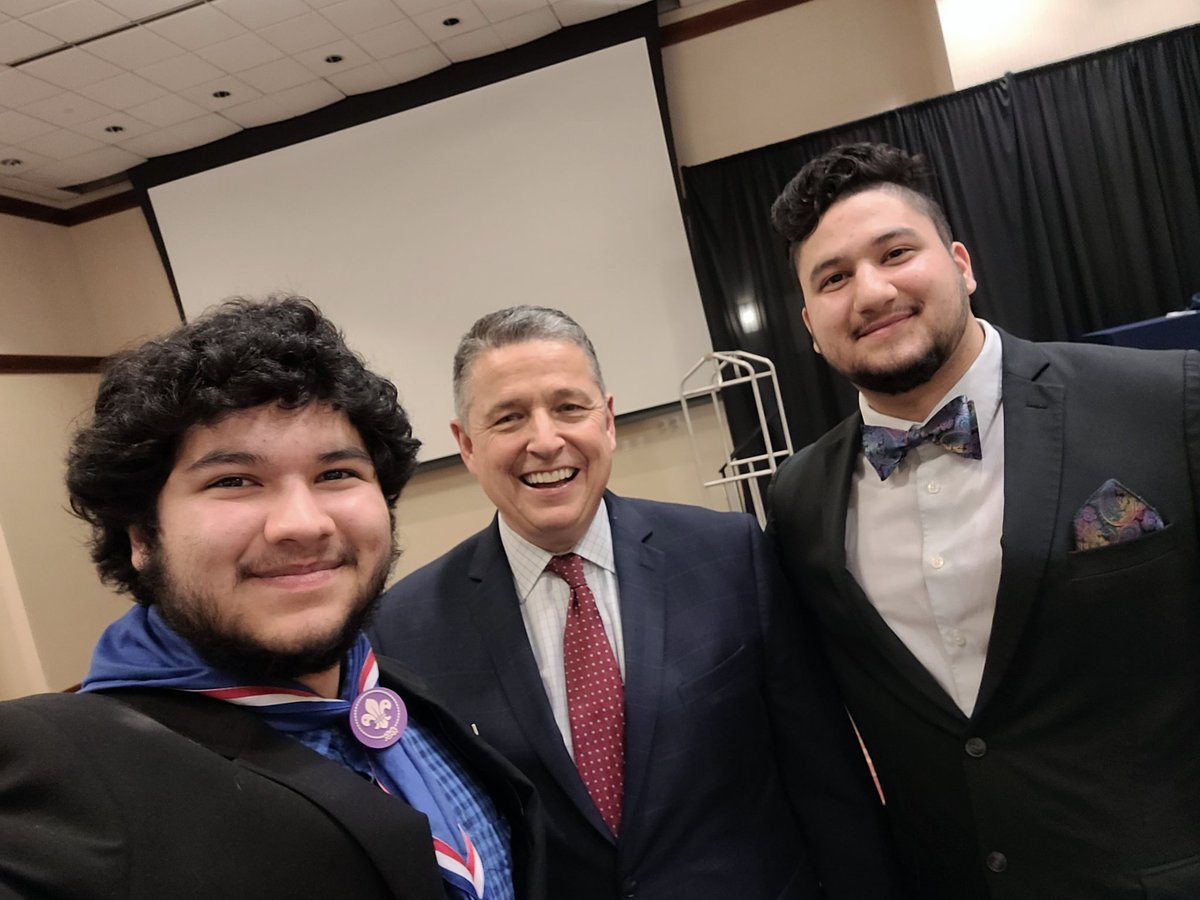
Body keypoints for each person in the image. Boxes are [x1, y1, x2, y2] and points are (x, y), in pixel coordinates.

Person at [766, 141, 1200, 900]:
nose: (869, 292)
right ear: (810, 324)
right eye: (833, 279)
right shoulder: (797, 502)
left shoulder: (1166, 401)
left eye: (895, 252)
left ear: (961, 263)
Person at [0, 297, 543, 900]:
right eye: (233, 481)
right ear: (141, 536)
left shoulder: (394, 690)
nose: (303, 524)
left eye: (336, 474)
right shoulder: (67, 769)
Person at [370, 305, 906, 900]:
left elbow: (827, 781)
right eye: (508, 418)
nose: (545, 441)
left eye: (569, 408)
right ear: (467, 444)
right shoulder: (406, 629)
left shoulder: (732, 556)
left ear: (608, 420)